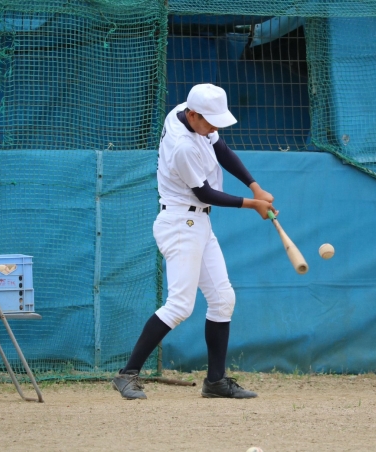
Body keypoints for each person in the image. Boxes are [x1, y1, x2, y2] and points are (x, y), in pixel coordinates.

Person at [112, 83, 276, 400]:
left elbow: (221, 149)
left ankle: (215, 382)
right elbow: (204, 193)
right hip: (179, 223)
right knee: (180, 305)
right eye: (210, 122)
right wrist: (252, 204)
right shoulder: (182, 146)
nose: (214, 128)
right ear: (192, 115)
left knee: (223, 299)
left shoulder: (185, 112)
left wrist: (254, 186)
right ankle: (127, 374)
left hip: (197, 222)